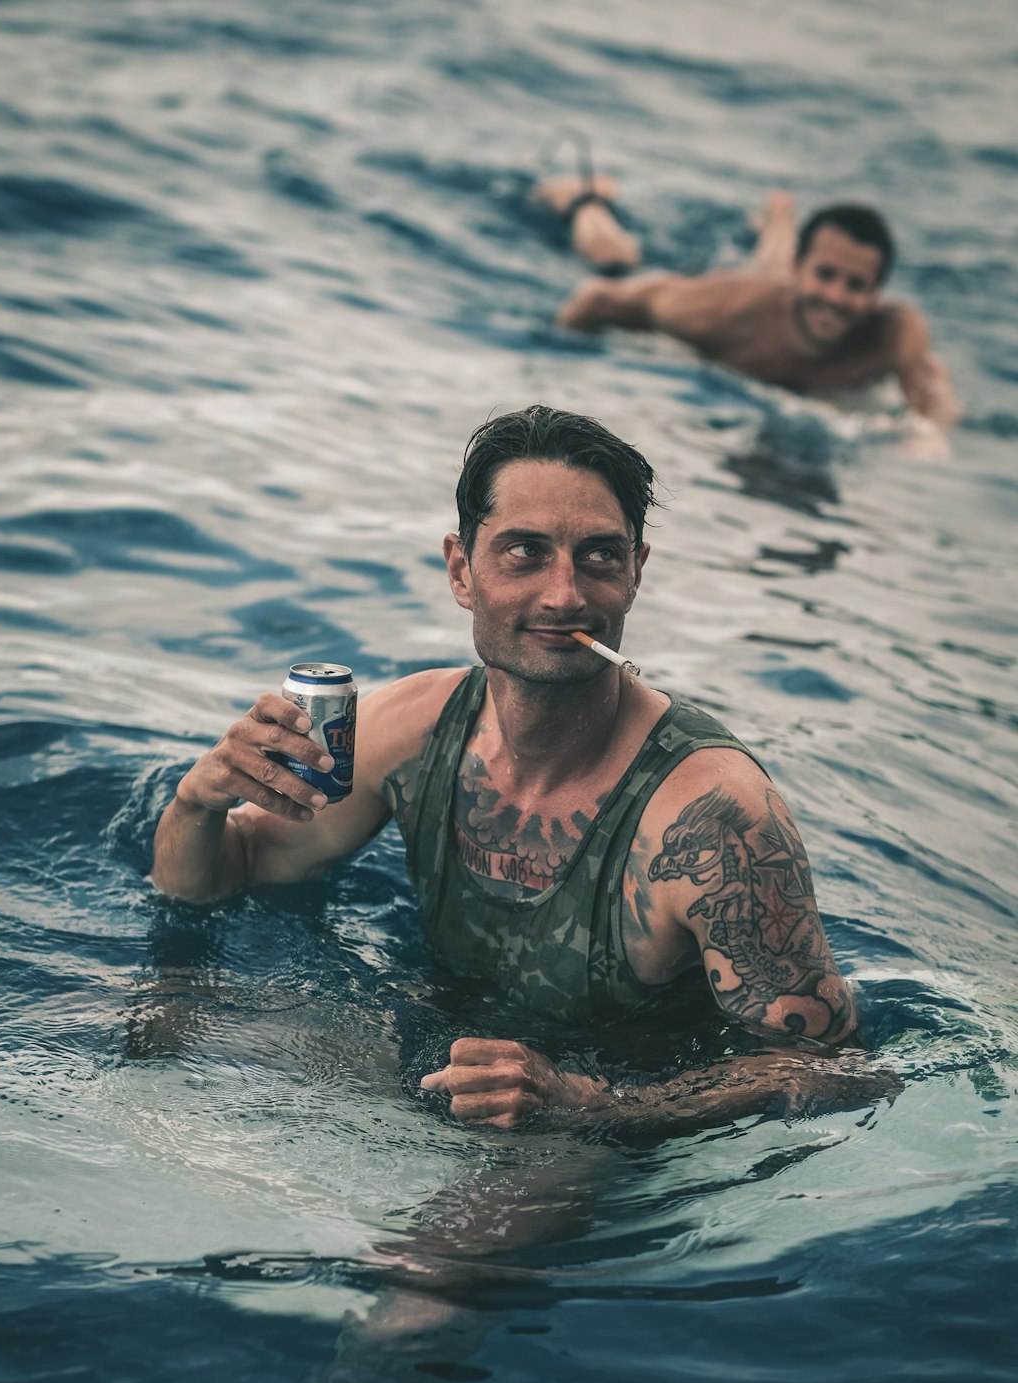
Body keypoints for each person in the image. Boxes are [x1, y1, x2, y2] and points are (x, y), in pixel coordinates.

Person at [151, 405, 870, 1132]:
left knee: (440, 1249)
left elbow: (833, 1070)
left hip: (600, 1123)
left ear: (636, 572)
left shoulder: (713, 818)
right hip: (440, 1049)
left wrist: (594, 1108)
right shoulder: (411, 729)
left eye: (599, 555)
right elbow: (224, 876)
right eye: (524, 552)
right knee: (152, 1034)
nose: (565, 595)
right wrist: (198, 801)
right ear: (461, 570)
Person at [540, 176, 958, 442]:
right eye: (826, 274)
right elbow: (595, 299)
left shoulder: (894, 331)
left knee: (777, 268)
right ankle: (583, 199)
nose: (836, 296)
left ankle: (779, 216)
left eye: (856, 285)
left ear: (877, 294)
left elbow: (933, 395)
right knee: (615, 261)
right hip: (742, 291)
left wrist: (929, 436)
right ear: (801, 267)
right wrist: (564, 367)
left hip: (781, 288)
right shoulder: (720, 309)